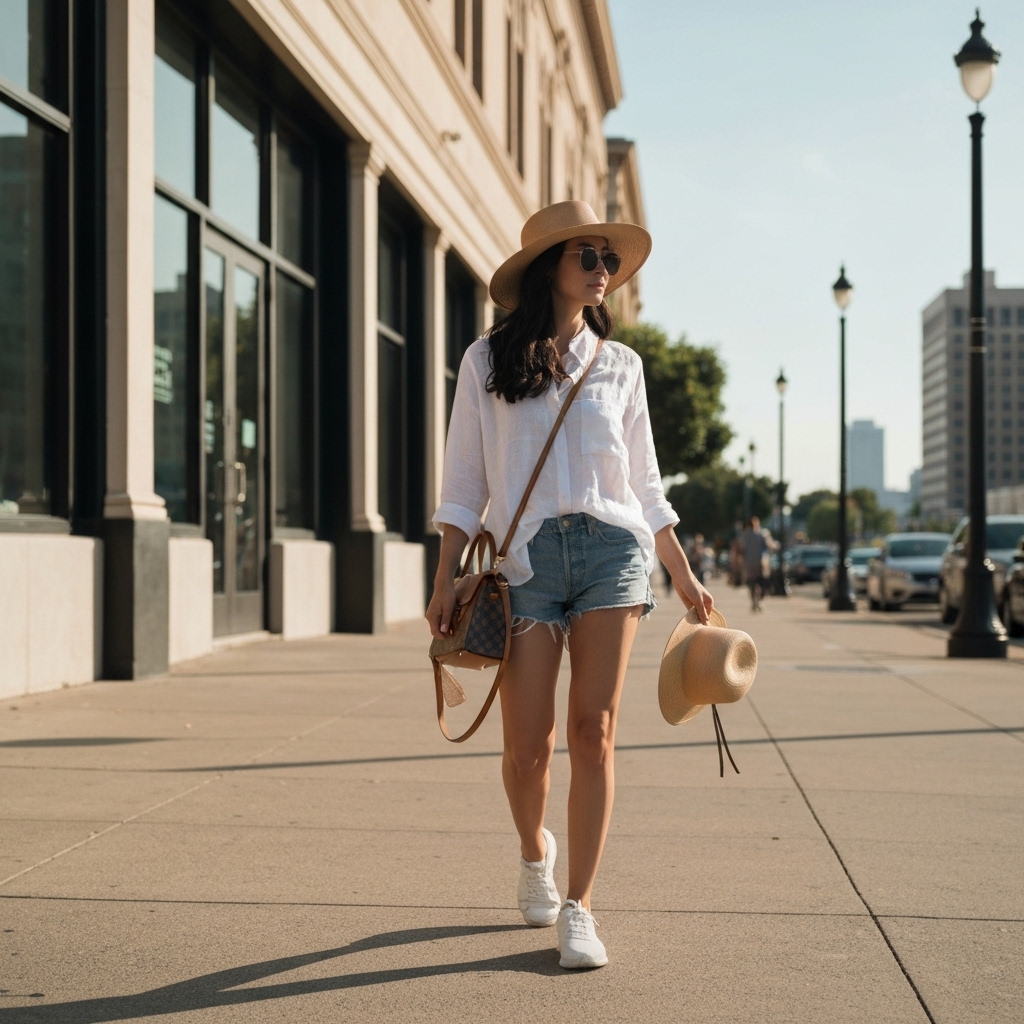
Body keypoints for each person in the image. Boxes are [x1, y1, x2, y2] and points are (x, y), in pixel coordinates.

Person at [426, 201, 714, 970]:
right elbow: (463, 482)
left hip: (612, 556)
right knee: (528, 748)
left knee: (595, 732)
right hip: (525, 565)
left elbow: (645, 483)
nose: (602, 271)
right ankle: (533, 853)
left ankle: (581, 907)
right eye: (588, 256)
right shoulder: (485, 362)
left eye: (609, 260)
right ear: (548, 266)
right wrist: (447, 574)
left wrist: (680, 570)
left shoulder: (621, 366)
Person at [742, 516, 769, 612]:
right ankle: (756, 602)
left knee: (758, 584)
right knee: (755, 584)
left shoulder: (759, 534)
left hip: (756, 563)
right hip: (755, 563)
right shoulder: (759, 534)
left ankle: (757, 601)